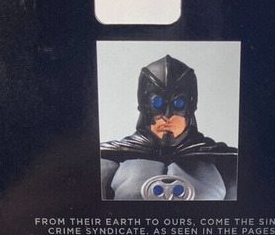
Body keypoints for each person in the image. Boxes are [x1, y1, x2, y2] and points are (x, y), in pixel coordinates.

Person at [100, 55, 237, 201]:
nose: (167, 115)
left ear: (190, 107)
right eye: (157, 103)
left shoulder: (225, 163)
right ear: (145, 107)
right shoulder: (109, 159)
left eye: (178, 104)